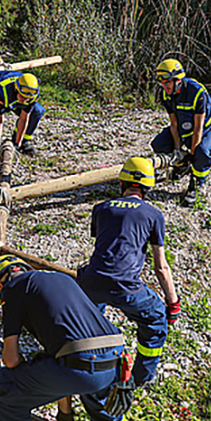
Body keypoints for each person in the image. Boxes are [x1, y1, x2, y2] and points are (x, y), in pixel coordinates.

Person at [0, 255, 142, 421]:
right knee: (99, 399)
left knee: (4, 386)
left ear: (0, 285)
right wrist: (64, 419)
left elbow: (11, 359)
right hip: (115, 360)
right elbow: (62, 359)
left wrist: (28, 366)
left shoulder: (14, 288)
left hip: (80, 365)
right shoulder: (60, 280)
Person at [77, 157, 180, 387]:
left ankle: (87, 362)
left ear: (122, 183)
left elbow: (105, 248)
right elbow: (161, 267)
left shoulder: (101, 208)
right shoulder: (153, 215)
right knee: (155, 320)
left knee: (89, 318)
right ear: (148, 188)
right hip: (126, 287)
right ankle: (141, 379)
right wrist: (172, 303)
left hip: (91, 282)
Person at [151, 58, 211, 207]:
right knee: (159, 144)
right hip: (183, 127)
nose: (164, 86)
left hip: (206, 129)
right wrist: (177, 150)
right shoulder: (166, 94)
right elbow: (174, 124)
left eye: (167, 82)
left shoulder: (197, 93)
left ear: (178, 80)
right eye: (162, 83)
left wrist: (193, 153)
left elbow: (198, 128)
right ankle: (182, 166)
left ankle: (195, 185)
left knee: (203, 153)